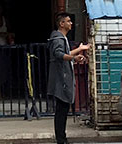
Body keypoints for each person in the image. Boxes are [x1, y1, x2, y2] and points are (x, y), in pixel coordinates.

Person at [47, 11, 89, 144]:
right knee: (61, 109)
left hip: (63, 76)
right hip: (61, 78)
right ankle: (61, 138)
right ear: (61, 23)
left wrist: (79, 49)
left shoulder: (61, 38)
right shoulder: (58, 38)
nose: (71, 23)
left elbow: (65, 53)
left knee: (62, 109)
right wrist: (73, 57)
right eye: (68, 21)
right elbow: (59, 54)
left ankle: (62, 137)